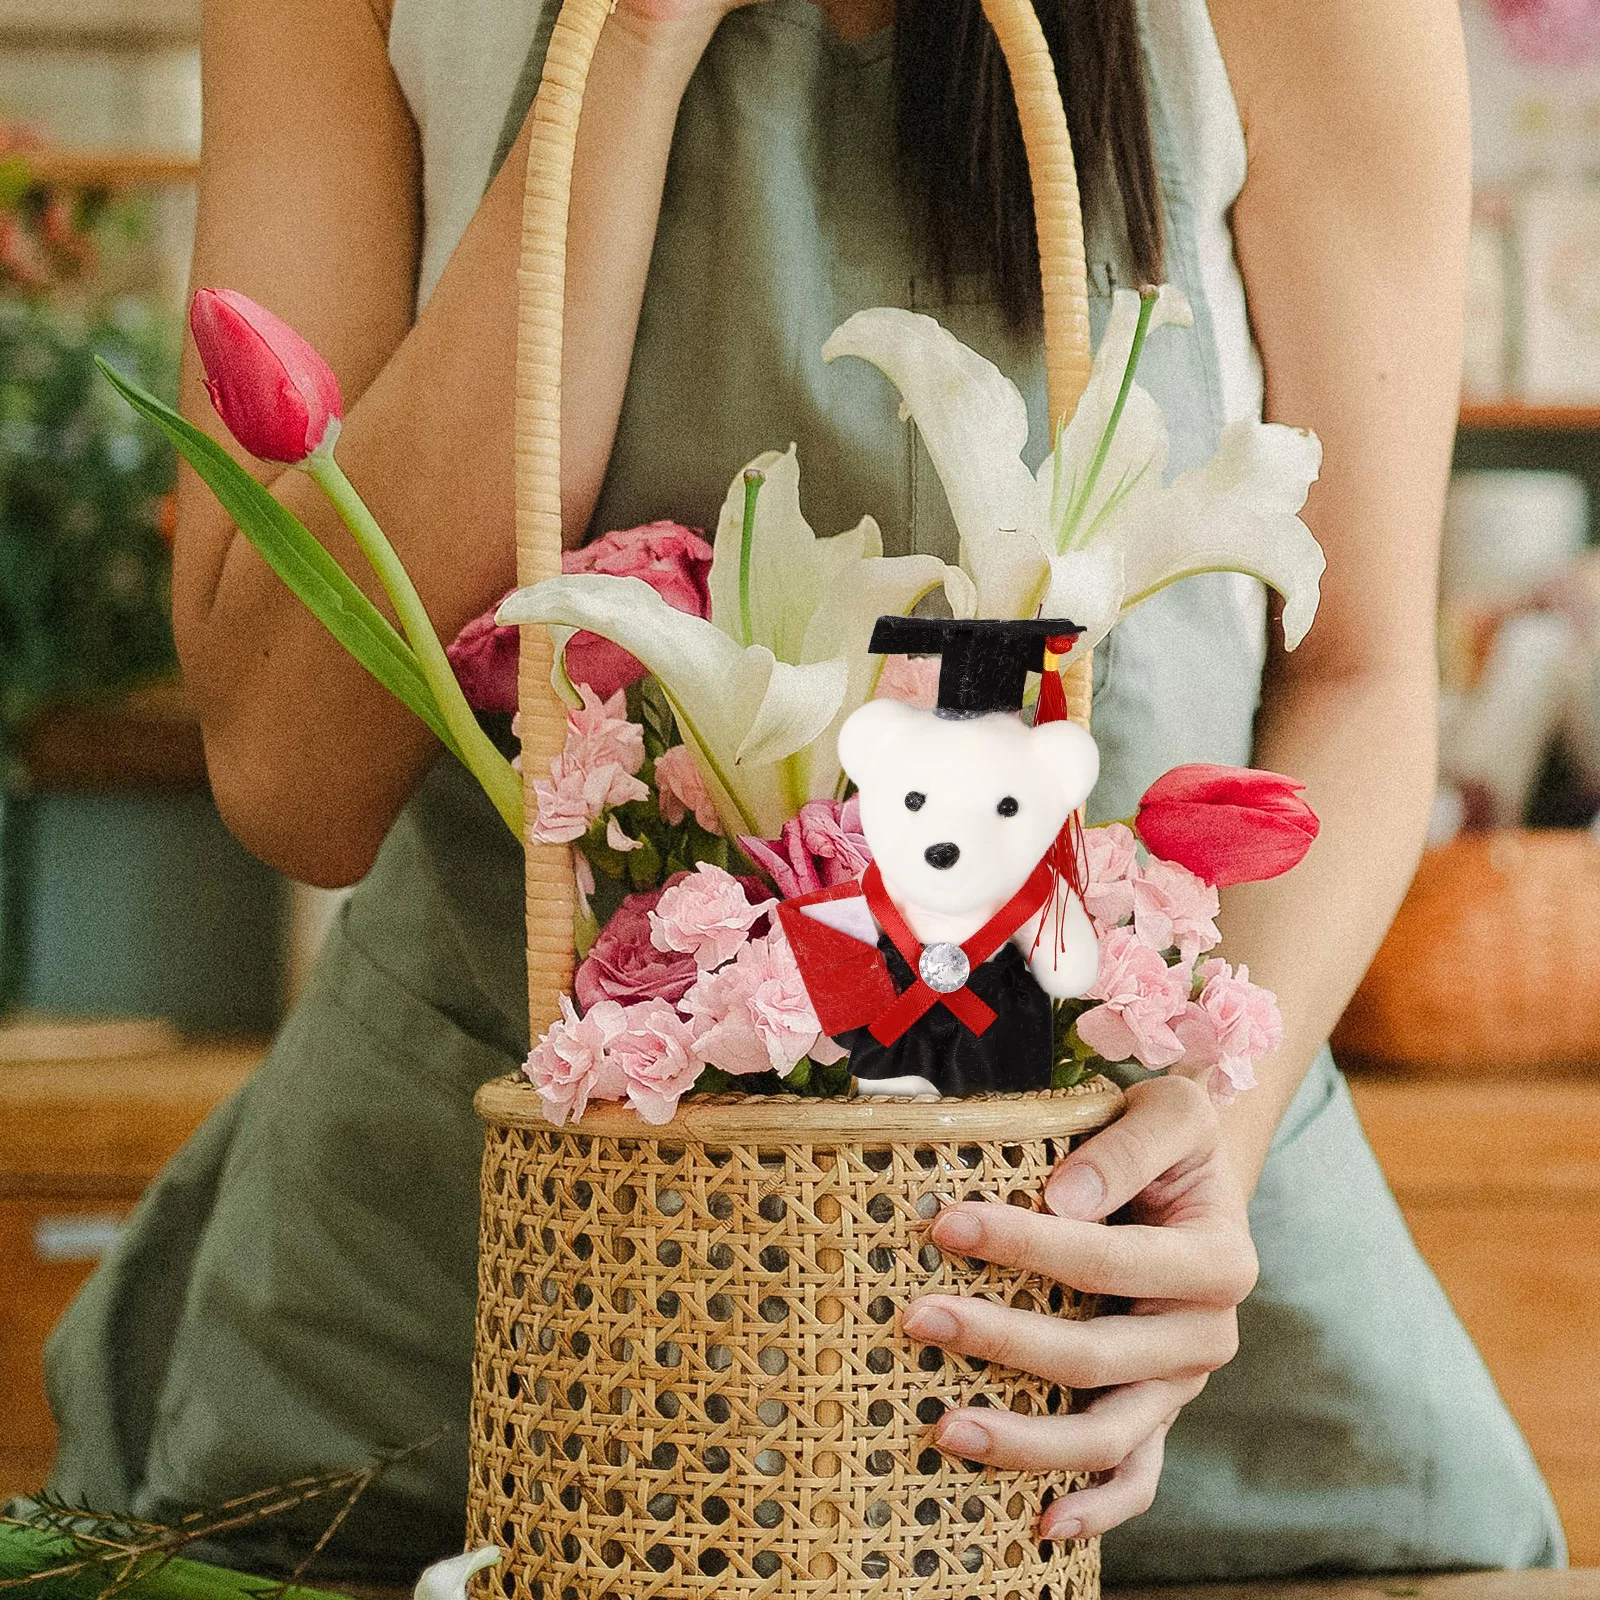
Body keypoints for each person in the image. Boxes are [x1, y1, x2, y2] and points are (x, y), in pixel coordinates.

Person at [44, 0, 1564, 1579]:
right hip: (475, 1323)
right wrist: (627, 50)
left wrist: (1194, 1166)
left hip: (1102, 1333)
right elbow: (295, 779)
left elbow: (1367, 674)